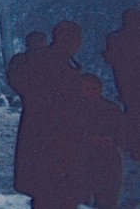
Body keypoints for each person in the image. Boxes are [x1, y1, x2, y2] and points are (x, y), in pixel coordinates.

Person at [8, 21, 86, 209]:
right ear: (72, 41)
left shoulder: (35, 59)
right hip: (58, 136)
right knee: (58, 192)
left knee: (43, 191)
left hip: (37, 132)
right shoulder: (63, 65)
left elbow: (17, 81)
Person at [7, 30, 47, 193]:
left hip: (30, 108)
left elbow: (13, 80)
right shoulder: (49, 61)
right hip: (45, 110)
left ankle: (27, 181)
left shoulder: (20, 61)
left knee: (29, 148)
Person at [80, 74, 126, 209]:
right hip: (81, 162)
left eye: (94, 89)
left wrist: (112, 140)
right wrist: (86, 139)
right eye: (87, 89)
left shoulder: (112, 109)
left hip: (108, 162)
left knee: (108, 202)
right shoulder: (73, 110)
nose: (91, 92)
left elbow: (124, 133)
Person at [103, 8, 139, 114]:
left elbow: (111, 58)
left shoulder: (115, 37)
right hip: (127, 82)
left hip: (125, 82)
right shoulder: (116, 38)